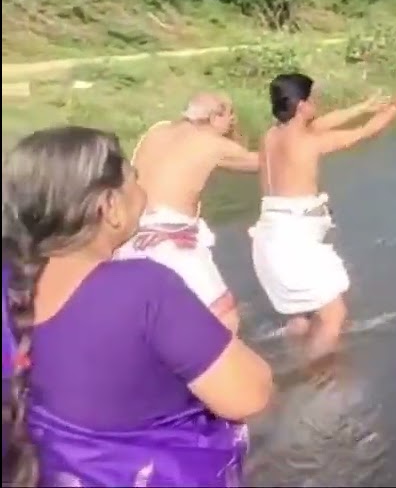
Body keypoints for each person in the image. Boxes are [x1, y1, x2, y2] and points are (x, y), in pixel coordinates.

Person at [1, 126, 274, 488]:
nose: (142, 190)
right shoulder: (143, 288)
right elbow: (249, 396)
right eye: (134, 178)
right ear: (109, 207)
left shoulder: (10, 282)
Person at [249, 73, 396, 361]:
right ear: (301, 106)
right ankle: (317, 384)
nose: (318, 105)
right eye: (314, 100)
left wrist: (363, 106)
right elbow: (366, 132)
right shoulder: (309, 142)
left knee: (300, 318)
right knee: (334, 316)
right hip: (294, 240)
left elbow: (321, 123)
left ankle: (293, 363)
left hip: (269, 236)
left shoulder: (271, 136)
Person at [114, 93, 259, 333]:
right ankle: (221, 370)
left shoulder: (156, 130)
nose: (233, 121)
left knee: (154, 322)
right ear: (214, 117)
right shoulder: (213, 143)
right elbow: (266, 163)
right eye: (230, 115)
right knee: (225, 318)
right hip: (169, 242)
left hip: (127, 238)